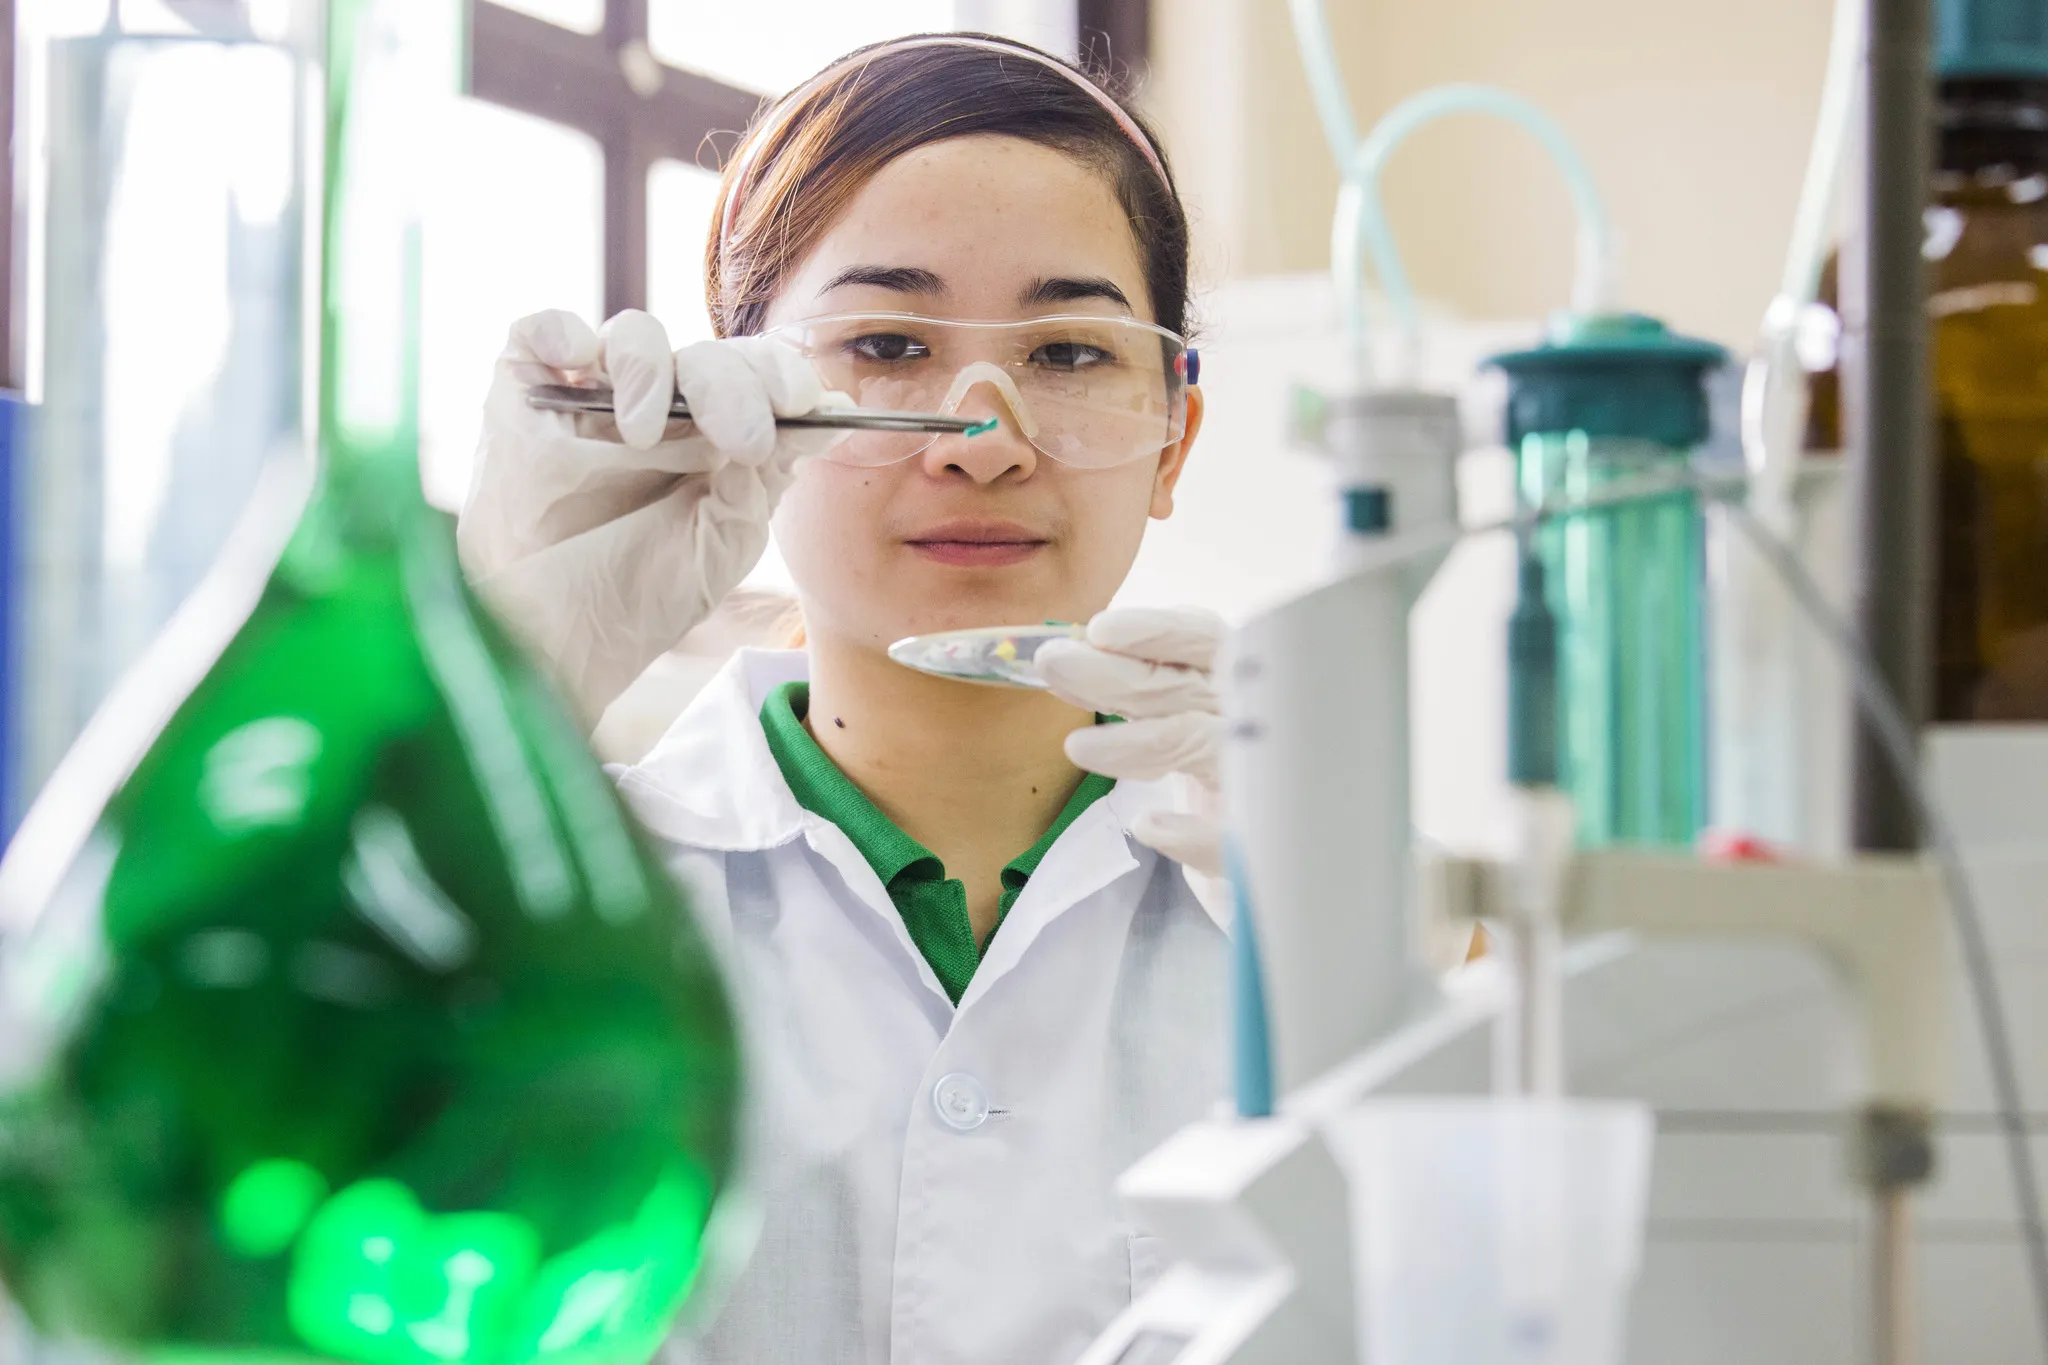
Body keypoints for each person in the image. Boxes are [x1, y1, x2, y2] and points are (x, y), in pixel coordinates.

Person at [459, 33, 1227, 1365]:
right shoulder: (571, 897)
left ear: (1175, 433)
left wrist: (1367, 972)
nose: (985, 443)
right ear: (740, 406)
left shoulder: (1285, 884)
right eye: (884, 342)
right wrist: (486, 695)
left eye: (1067, 353)